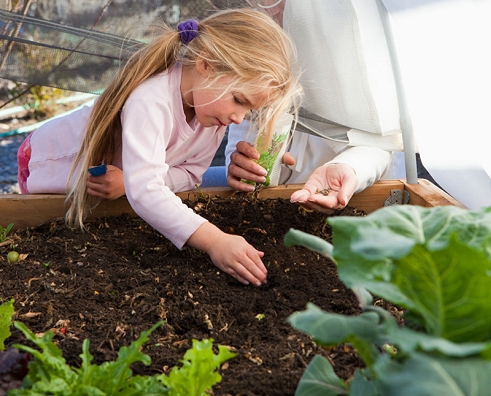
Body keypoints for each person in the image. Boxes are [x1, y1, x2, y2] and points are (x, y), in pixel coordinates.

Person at [16, 8, 302, 286]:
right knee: (45, 227)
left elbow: (190, 175)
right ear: (206, 65)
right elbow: (147, 192)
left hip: (110, 176)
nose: (238, 118)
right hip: (47, 160)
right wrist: (215, 241)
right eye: (239, 100)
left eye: (248, 110)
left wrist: (131, 183)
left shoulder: (212, 117)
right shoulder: (152, 100)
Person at [223, 0, 404, 214]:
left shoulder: (352, 43)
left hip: (356, 201)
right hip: (277, 206)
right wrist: (240, 166)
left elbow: (381, 142)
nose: (271, 11)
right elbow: (244, 129)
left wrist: (349, 168)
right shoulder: (257, 39)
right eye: (258, 2)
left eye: (278, 3)